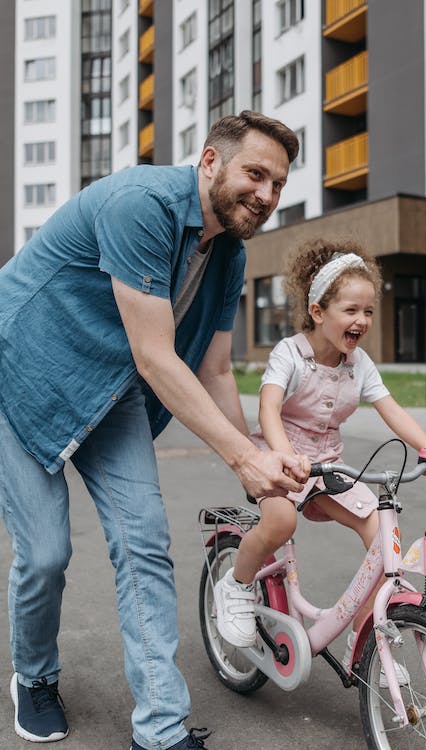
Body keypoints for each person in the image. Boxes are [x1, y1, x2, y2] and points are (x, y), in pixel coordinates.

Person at [0, 111, 309, 750]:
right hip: (20, 369)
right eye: (256, 173)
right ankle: (33, 676)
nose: (268, 194)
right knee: (46, 552)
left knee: (144, 543)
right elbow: (156, 356)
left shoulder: (229, 255)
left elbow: (217, 368)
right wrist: (243, 462)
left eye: (278, 183)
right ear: (209, 162)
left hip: (108, 389)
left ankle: (161, 731)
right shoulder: (142, 204)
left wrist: (253, 462)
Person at [214, 239, 426, 677]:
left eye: (368, 311)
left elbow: (391, 408)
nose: (361, 320)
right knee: (281, 522)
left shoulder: (359, 364)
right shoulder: (290, 353)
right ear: (319, 311)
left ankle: (369, 638)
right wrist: (283, 457)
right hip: (277, 457)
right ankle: (237, 585)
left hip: (327, 469)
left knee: (384, 535)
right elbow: (268, 407)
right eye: (351, 310)